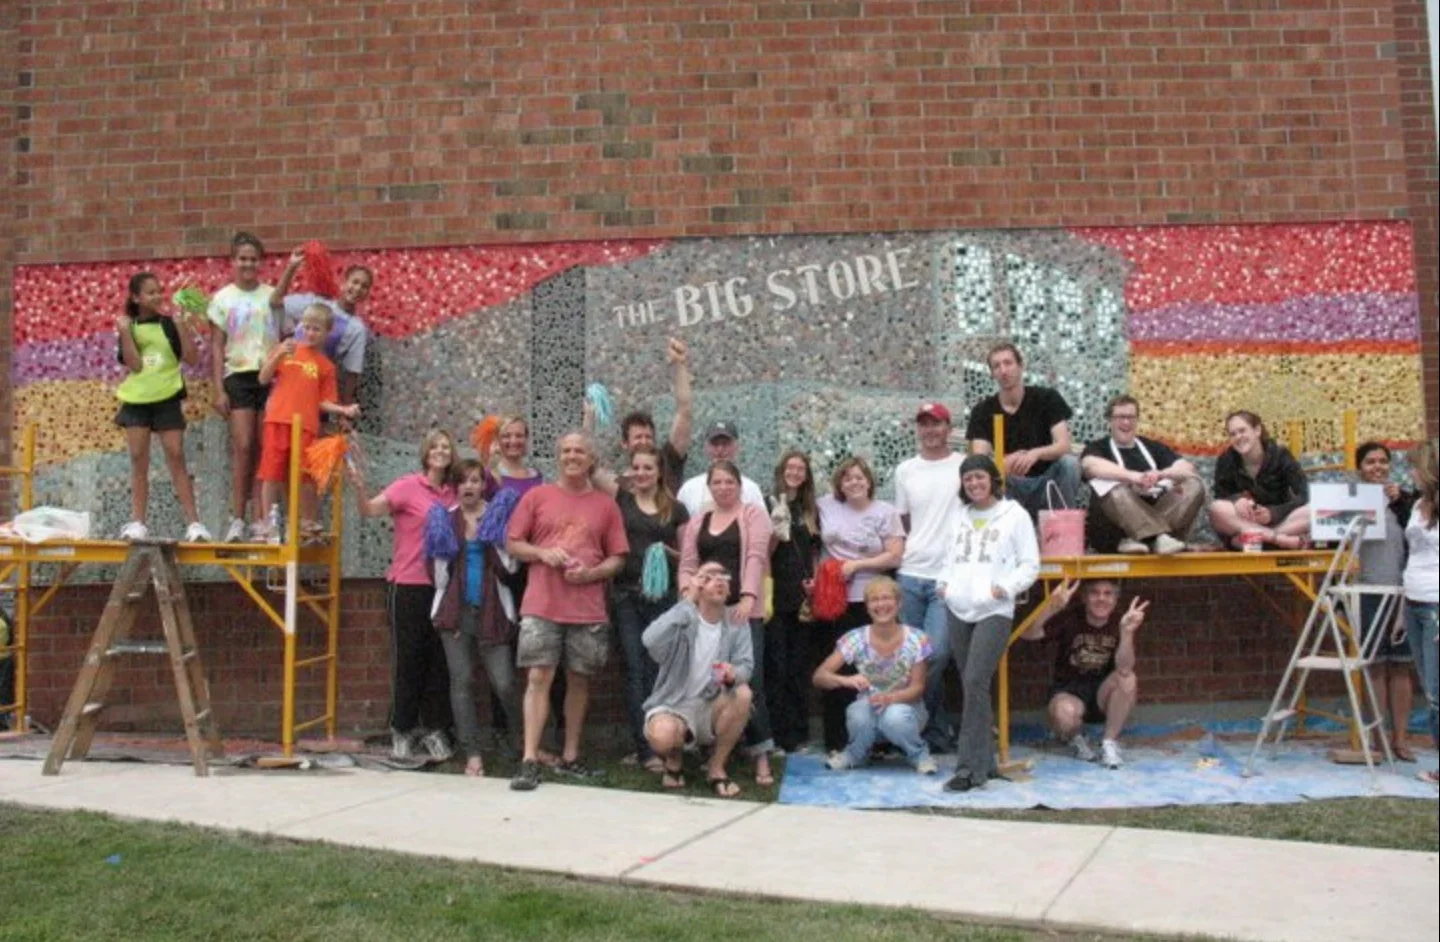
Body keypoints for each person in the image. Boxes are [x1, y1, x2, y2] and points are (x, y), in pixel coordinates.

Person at [505, 432, 629, 791]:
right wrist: (543, 554)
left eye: (579, 451)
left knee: (579, 681)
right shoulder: (537, 496)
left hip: (587, 608)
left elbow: (618, 558)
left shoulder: (606, 506)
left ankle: (571, 756)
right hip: (542, 604)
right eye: (566, 451)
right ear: (557, 457)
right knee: (538, 678)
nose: (572, 456)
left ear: (591, 460)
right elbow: (513, 543)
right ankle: (530, 759)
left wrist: (591, 574)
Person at [349, 429, 459, 761]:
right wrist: (358, 486)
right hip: (408, 584)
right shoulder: (407, 486)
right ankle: (402, 729)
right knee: (408, 659)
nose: (441, 451)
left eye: (446, 447)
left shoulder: (454, 493)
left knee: (439, 663)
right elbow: (369, 510)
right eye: (435, 447)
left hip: (442, 589)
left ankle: (437, 730)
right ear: (425, 454)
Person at [938, 454, 1040, 792]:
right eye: (968, 479)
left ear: (993, 480)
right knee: (973, 688)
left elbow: (1030, 564)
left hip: (993, 608)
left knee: (976, 680)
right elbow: (947, 558)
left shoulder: (1015, 516)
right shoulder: (959, 517)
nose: (974, 484)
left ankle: (969, 769)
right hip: (958, 606)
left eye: (980, 477)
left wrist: (1005, 588)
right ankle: (988, 762)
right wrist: (944, 584)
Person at [677, 461, 775, 784]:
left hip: (740, 611)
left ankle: (761, 754)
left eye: (729, 481)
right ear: (709, 486)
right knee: (709, 679)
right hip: (707, 612)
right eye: (716, 482)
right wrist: (688, 594)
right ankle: (716, 751)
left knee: (749, 681)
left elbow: (755, 557)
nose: (723, 487)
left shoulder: (753, 516)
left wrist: (747, 596)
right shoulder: (697, 522)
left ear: (739, 485)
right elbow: (688, 564)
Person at [430, 460, 521, 777]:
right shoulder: (446, 519)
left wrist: (494, 536)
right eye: (463, 481)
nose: (469, 486)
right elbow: (439, 575)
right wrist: (449, 609)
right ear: (455, 486)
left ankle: (520, 742)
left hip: (493, 609)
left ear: (484, 485)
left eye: (475, 480)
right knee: (462, 682)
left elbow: (511, 568)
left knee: (505, 683)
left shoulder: (498, 518)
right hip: (457, 613)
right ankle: (472, 754)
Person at [815, 456, 906, 755]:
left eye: (859, 477)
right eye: (847, 478)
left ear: (869, 480)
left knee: (878, 669)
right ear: (839, 484)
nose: (854, 482)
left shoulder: (886, 512)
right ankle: (838, 740)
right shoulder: (824, 505)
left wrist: (858, 565)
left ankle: (878, 738)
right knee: (839, 668)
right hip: (835, 601)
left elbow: (894, 555)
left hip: (874, 602)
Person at [642, 561, 756, 798]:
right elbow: (649, 640)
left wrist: (734, 674)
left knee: (744, 694)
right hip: (673, 702)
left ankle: (716, 768)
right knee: (663, 736)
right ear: (698, 586)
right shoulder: (683, 617)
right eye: (709, 577)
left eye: (724, 576)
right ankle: (674, 762)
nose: (719, 581)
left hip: (711, 701)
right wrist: (687, 602)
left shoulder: (735, 621)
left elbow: (746, 665)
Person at [113, 271, 211, 542]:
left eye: (159, 291)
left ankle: (194, 524)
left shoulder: (169, 324)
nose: (157, 296)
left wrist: (181, 325)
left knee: (176, 454)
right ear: (136, 297)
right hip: (137, 400)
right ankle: (137, 522)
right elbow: (135, 364)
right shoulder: (128, 326)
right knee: (138, 459)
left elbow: (191, 358)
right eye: (150, 292)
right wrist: (124, 332)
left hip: (167, 397)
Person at [610, 444, 690, 771]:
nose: (642, 474)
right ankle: (644, 749)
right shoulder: (621, 501)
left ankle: (665, 741)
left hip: (664, 599)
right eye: (637, 468)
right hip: (627, 596)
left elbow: (687, 556)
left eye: (648, 468)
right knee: (633, 669)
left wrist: (664, 553)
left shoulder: (676, 509)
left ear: (660, 472)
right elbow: (593, 467)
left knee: (659, 671)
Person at [813, 576, 938, 774]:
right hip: (869, 707)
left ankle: (919, 754)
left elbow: (918, 688)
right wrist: (845, 680)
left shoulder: (917, 638)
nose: (881, 604)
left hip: (907, 710)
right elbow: (819, 676)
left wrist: (891, 698)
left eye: (886, 598)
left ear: (898, 603)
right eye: (874, 599)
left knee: (894, 717)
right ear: (867, 606)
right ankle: (854, 754)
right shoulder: (855, 638)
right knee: (857, 712)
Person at [893, 402, 963, 752]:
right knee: (911, 659)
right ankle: (928, 733)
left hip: (946, 577)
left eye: (936, 424)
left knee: (936, 654)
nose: (930, 430)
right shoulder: (906, 470)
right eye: (924, 424)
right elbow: (903, 522)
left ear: (949, 427)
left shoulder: (963, 466)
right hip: (910, 575)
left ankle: (927, 726)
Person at [255, 304, 359, 540]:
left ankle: (306, 521)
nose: (311, 333)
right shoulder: (287, 349)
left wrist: (344, 409)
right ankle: (267, 522)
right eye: (307, 327)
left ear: (327, 332)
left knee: (305, 475)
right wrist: (279, 354)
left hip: (307, 426)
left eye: (317, 329)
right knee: (271, 472)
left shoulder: (326, 366)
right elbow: (263, 378)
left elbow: (325, 401)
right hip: (278, 421)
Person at [1021, 578, 1149, 769]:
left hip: (1102, 693)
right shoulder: (1070, 618)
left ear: (1115, 599)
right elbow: (1028, 634)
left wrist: (1127, 633)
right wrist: (1050, 609)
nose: (1101, 599)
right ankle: (1076, 739)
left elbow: (1124, 668)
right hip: (1069, 690)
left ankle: (1109, 744)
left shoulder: (1120, 621)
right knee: (1064, 714)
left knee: (1128, 678)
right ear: (1084, 597)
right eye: (1094, 593)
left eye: (1108, 594)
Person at [208, 231, 278, 544]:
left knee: (267, 447)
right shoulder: (222, 299)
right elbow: (216, 345)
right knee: (244, 446)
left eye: (253, 259)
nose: (248, 264)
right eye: (242, 258)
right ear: (233, 262)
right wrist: (218, 389)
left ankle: (262, 519)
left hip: (268, 374)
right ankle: (237, 518)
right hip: (238, 376)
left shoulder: (272, 295)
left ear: (260, 262)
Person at [1353, 441, 1417, 761]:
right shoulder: (1352, 502)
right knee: (1375, 666)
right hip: (1367, 590)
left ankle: (1401, 739)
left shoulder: (1406, 501)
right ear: (1359, 469)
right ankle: (1378, 738)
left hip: (1403, 590)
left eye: (1382, 461)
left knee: (1402, 667)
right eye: (1369, 462)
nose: (1377, 467)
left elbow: (1419, 538)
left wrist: (1401, 503)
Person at [964, 341, 1080, 518]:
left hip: (1046, 483)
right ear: (992, 374)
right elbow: (978, 460)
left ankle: (1061, 528)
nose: (1003, 370)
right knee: (985, 475)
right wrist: (1003, 462)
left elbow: (1064, 446)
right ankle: (999, 528)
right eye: (997, 366)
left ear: (1020, 366)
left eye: (1008, 363)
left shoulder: (1047, 398)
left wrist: (1035, 454)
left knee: (1069, 463)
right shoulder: (982, 411)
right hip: (1010, 485)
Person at [1081, 395, 1205, 555]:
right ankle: (1156, 538)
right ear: (1109, 420)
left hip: (1163, 526)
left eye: (1131, 417)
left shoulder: (1152, 447)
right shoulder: (1097, 447)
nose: (1126, 422)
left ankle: (1152, 538)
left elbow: (1188, 469)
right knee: (1112, 488)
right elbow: (1090, 466)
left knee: (1193, 485)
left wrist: (1160, 474)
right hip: (1116, 534)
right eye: (1120, 417)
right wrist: (1134, 477)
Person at [765, 450, 822, 753]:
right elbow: (762, 552)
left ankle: (799, 735)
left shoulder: (811, 510)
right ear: (782, 470)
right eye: (791, 467)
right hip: (776, 596)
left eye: (801, 468)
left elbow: (815, 552)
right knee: (777, 666)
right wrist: (775, 531)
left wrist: (815, 584)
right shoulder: (768, 503)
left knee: (799, 667)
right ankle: (777, 734)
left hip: (803, 599)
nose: (795, 473)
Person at [270, 245, 373, 408]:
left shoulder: (357, 329)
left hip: (317, 394)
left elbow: (352, 372)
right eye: (355, 282)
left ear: (367, 293)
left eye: (364, 286)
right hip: (286, 385)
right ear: (344, 282)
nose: (358, 288)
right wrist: (292, 267)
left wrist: (345, 409)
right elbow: (275, 302)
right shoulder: (314, 302)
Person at [602, 337, 694, 494]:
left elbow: (684, 412)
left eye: (648, 436)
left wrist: (680, 365)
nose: (644, 441)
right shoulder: (618, 486)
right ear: (625, 443)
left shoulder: (668, 461)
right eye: (638, 437)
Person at [1209, 410, 1310, 550]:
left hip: (1278, 522)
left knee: (1313, 510)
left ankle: (1257, 541)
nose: (1238, 437)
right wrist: (1236, 500)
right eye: (1233, 434)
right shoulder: (1226, 459)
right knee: (1216, 509)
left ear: (1257, 430)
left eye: (1242, 431)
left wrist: (1273, 513)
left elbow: (1305, 494)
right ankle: (1277, 540)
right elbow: (1220, 496)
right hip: (1244, 524)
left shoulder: (1280, 455)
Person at [1402, 439, 1438, 786]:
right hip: (1413, 601)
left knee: (1438, 690)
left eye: (1414, 466)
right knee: (1429, 686)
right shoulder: (1417, 506)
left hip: (1436, 604)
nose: (1410, 472)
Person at [674, 421, 766, 515]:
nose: (720, 450)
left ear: (736, 447)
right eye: (715, 444)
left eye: (725, 444)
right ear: (706, 448)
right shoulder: (689, 489)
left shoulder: (751, 489)